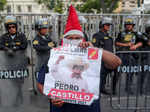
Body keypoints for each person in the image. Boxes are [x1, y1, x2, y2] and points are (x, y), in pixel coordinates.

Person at [37, 5, 121, 112]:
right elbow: (40, 83)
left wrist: (95, 50)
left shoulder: (92, 56)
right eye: (70, 38)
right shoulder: (55, 56)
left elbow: (116, 62)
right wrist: (51, 95)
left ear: (83, 39)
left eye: (77, 38)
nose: (74, 40)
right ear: (64, 39)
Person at [0, 15, 28, 106]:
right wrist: (6, 49)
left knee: (19, 81)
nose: (12, 29)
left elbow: (24, 45)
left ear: (16, 27)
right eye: (9, 27)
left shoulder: (21, 35)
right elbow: (0, 45)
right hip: (9, 64)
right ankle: (12, 97)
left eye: (13, 27)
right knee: (10, 81)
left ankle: (19, 97)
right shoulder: (4, 37)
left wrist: (15, 48)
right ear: (7, 28)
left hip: (20, 64)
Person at [115, 16, 143, 95]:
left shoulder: (136, 33)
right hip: (121, 55)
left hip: (131, 56)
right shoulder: (121, 33)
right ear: (125, 25)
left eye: (130, 25)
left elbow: (141, 42)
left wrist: (135, 46)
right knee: (117, 72)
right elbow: (116, 43)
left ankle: (128, 88)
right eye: (127, 24)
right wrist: (125, 44)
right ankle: (113, 89)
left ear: (133, 26)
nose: (128, 26)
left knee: (130, 73)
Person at [92, 17, 113, 95]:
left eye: (109, 25)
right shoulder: (97, 35)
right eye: (107, 25)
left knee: (107, 74)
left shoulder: (108, 36)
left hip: (109, 59)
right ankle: (99, 89)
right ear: (102, 25)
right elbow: (94, 47)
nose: (108, 26)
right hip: (101, 59)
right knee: (101, 75)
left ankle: (105, 88)